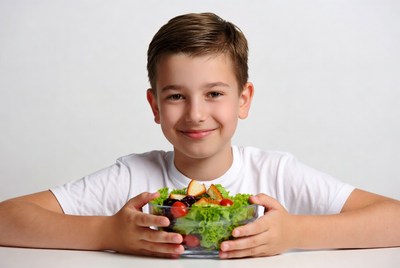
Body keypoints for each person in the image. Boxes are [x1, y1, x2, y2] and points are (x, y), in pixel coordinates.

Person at [0, 12, 399, 259]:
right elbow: (7, 219)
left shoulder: (276, 173)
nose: (195, 113)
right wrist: (108, 231)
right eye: (176, 96)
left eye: (214, 94)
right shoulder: (132, 179)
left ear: (243, 100)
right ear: (155, 106)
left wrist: (294, 232)